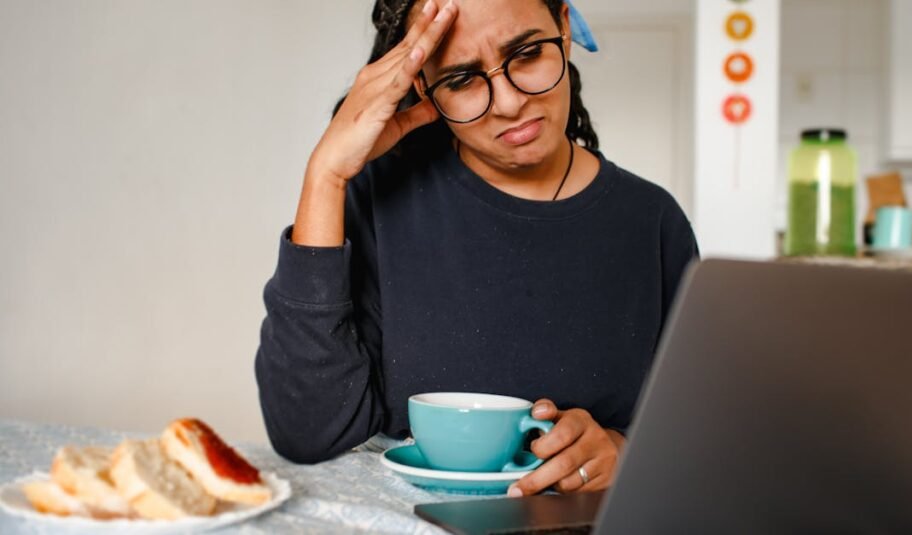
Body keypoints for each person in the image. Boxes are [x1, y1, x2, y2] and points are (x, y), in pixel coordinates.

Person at [255, 0, 699, 497]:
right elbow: (308, 432)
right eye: (462, 80)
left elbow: (700, 440)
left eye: (528, 53)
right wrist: (326, 176)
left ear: (565, 30)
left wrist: (622, 451)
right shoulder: (376, 200)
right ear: (422, 86)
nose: (509, 102)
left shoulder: (654, 222)